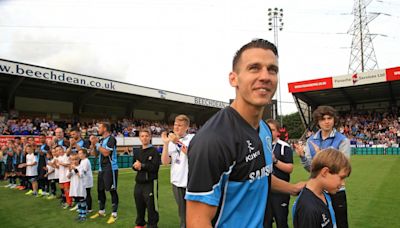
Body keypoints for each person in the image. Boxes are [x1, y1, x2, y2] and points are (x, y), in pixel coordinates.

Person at [185, 39, 305, 228]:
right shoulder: (213, 141)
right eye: (254, 68)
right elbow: (197, 221)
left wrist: (293, 188)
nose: (265, 76)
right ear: (234, 79)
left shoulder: (264, 129)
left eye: (272, 69)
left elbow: (258, 176)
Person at [294, 105, 351, 228]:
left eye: (329, 118)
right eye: (323, 119)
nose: (326, 121)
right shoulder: (310, 141)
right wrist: (303, 157)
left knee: (341, 224)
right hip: (318, 191)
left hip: (336, 190)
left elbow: (342, 168)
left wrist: (322, 157)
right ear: (318, 122)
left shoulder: (343, 140)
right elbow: (311, 169)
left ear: (334, 120)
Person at [293, 148, 351, 228]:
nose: (343, 184)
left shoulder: (324, 194)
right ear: (325, 172)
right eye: (341, 178)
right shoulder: (308, 209)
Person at [161, 114, 195, 228]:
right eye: (175, 125)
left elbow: (193, 155)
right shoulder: (171, 142)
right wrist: (166, 144)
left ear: (186, 128)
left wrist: (178, 143)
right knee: (182, 213)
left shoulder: (192, 138)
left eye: (180, 125)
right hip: (176, 182)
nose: (176, 127)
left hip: (190, 182)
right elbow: (165, 162)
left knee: (194, 213)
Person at [265, 119, 294, 228]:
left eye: (272, 130)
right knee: (266, 223)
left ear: (278, 132)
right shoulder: (260, 145)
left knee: (281, 222)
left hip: (281, 192)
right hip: (265, 192)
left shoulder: (284, 146)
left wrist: (275, 161)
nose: (269, 132)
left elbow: (290, 168)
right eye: (267, 129)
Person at [89, 122, 119, 224]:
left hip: (110, 168)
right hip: (102, 169)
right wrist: (93, 145)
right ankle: (102, 211)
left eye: (100, 127)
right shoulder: (101, 140)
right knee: (100, 190)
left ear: (105, 128)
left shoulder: (111, 139)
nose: (98, 129)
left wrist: (97, 144)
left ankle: (114, 214)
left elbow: (106, 153)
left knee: (112, 190)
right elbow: (95, 154)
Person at [133, 129, 161, 228]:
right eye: (142, 136)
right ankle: (140, 224)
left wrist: (142, 165)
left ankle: (152, 225)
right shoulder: (137, 151)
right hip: (139, 183)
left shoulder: (154, 151)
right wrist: (135, 166)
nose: (144, 138)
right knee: (139, 204)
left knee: (151, 206)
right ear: (140, 138)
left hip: (150, 183)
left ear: (150, 137)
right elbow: (134, 165)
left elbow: (155, 167)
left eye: (146, 136)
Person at [68, 153, 87, 222]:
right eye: (73, 160)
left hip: (80, 187)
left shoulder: (81, 167)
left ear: (78, 159)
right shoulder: (71, 168)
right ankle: (80, 215)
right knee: (78, 201)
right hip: (74, 187)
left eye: (76, 159)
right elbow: (68, 176)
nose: (74, 161)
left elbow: (80, 175)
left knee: (82, 201)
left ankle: (83, 215)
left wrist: (75, 169)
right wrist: (70, 170)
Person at [78, 148, 93, 214]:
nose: (79, 155)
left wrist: (77, 172)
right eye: (79, 153)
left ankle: (89, 208)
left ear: (84, 154)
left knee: (87, 194)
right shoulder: (82, 161)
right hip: (83, 180)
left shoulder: (86, 161)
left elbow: (84, 171)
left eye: (80, 153)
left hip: (87, 180)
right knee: (85, 194)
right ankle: (86, 207)